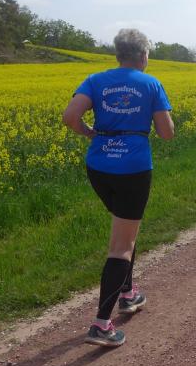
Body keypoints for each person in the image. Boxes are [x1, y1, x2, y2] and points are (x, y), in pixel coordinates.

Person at [62, 28, 174, 347]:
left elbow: (70, 116)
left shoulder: (96, 80)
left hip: (99, 166)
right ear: (143, 56)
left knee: (125, 228)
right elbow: (166, 133)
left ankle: (128, 293)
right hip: (132, 169)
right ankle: (101, 324)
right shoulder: (150, 84)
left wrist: (88, 132)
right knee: (121, 245)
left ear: (117, 55)